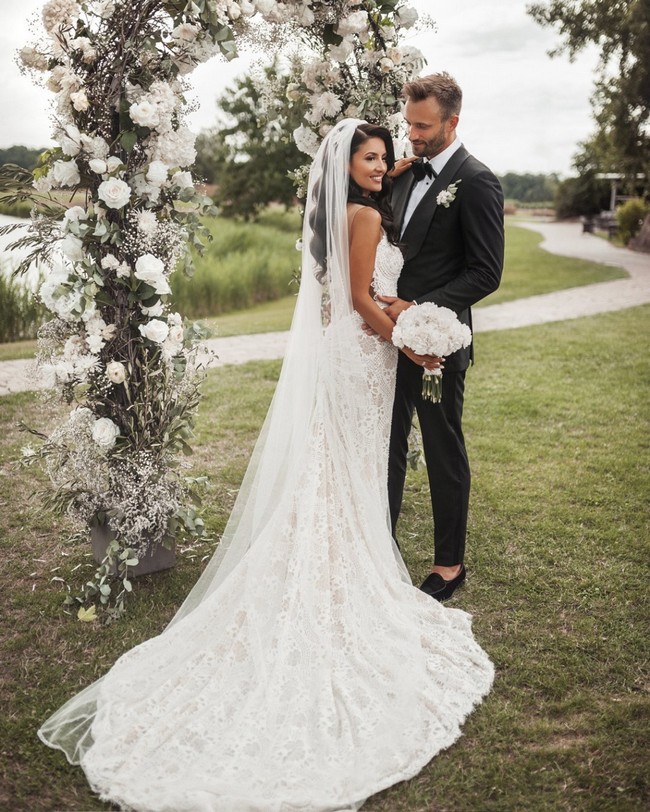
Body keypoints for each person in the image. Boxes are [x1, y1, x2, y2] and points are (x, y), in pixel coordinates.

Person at [38, 119, 494, 812]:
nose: (381, 165)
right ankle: (344, 581)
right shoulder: (365, 214)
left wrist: (390, 173)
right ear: (350, 165)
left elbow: (354, 263)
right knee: (350, 469)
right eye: (369, 158)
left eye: (386, 157)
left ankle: (345, 563)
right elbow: (360, 300)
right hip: (366, 353)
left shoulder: (338, 209)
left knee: (341, 470)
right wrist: (408, 341)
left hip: (349, 354)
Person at [381, 73, 505, 602]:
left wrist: (420, 309)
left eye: (423, 125)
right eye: (409, 122)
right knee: (384, 444)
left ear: (453, 122)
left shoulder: (477, 181)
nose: (412, 133)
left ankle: (449, 565)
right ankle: (377, 547)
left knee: (441, 446)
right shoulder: (405, 173)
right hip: (386, 337)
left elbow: (485, 272)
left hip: (438, 340)